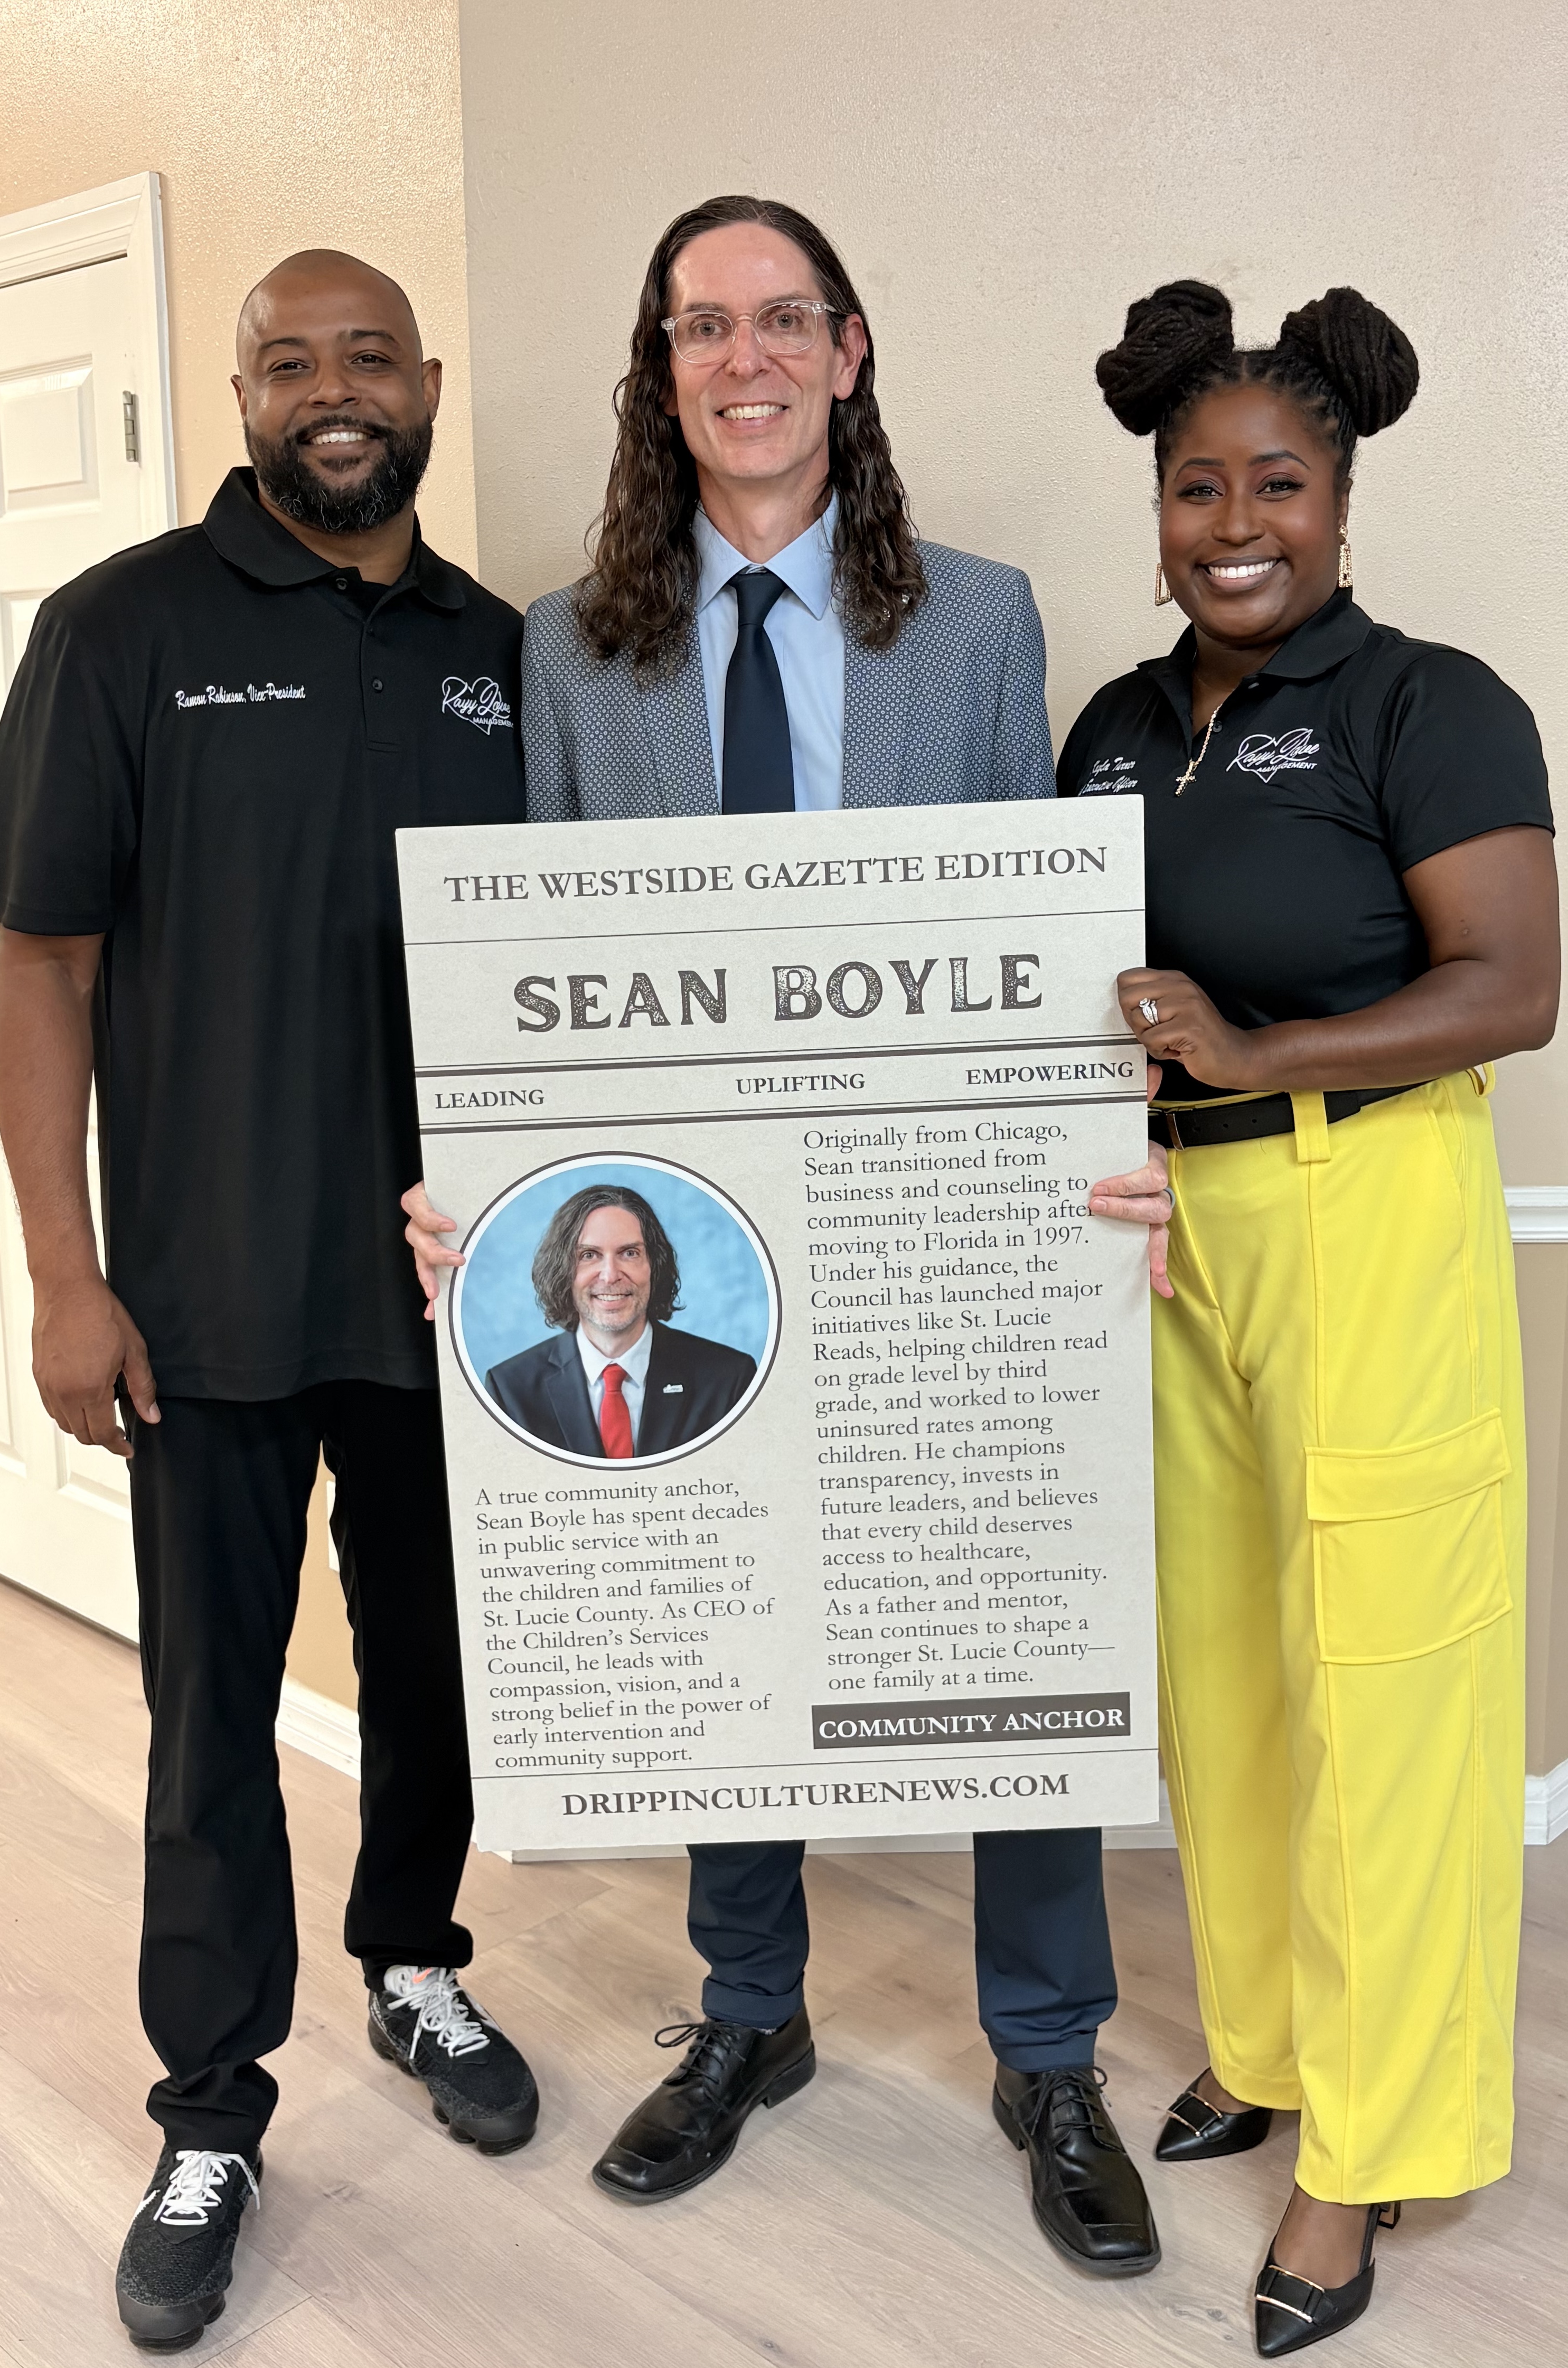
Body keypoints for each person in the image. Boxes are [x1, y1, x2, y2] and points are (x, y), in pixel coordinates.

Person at [406, 192, 1160, 2280]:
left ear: (846, 351)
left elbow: (1035, 940)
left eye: (780, 319)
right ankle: (752, 2012)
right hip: (701, 1230)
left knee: (1007, 1623)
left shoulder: (982, 621)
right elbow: (533, 979)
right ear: (662, 374)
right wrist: (486, 1180)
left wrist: (1099, 1149)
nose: (742, 357)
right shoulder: (571, 647)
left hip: (934, 1229)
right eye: (699, 326)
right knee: (719, 1607)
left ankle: (1047, 2050)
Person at [0, 250, 540, 2354]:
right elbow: (46, 965)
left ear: (427, 381)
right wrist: (64, 1272)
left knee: (439, 1668)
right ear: (242, 394)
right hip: (197, 1299)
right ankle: (211, 2107)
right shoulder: (121, 626)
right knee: (210, 1713)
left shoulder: (500, 653)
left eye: (367, 356)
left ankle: (414, 1956)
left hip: (454, 1290)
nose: (332, 389)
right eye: (290, 362)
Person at [1063, 280, 1558, 2356]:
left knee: (1384, 1680)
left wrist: (1259, 1051)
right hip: (1171, 1229)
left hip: (1368, 1206)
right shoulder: (1111, 725)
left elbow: (1513, 988)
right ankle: (1266, 2040)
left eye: (1276, 481)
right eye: (1199, 486)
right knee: (1225, 1669)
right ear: (1159, 510)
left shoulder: (1425, 702)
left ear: (1340, 503)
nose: (1235, 521)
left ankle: (1370, 2139)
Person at [486, 1185, 756, 1456]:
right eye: (589, 1255)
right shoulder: (510, 1392)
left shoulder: (729, 1380)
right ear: (562, 1271)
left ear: (655, 1266)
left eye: (629, 1253)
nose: (610, 1275)